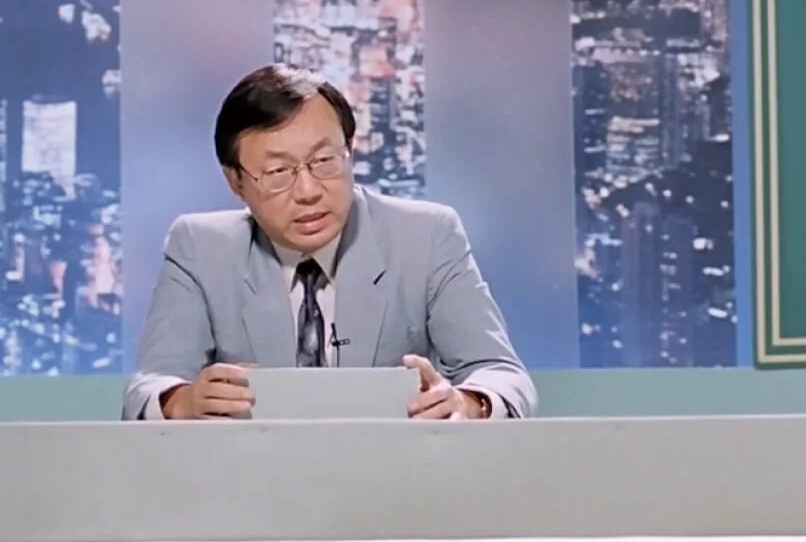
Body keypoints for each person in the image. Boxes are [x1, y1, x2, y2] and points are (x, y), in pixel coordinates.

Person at [122, 63, 536, 421]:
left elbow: (503, 375)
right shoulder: (199, 248)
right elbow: (149, 386)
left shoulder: (427, 236)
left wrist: (468, 402)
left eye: (324, 161)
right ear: (235, 181)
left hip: (396, 476)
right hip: (252, 478)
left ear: (350, 150)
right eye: (278, 172)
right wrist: (182, 402)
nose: (308, 191)